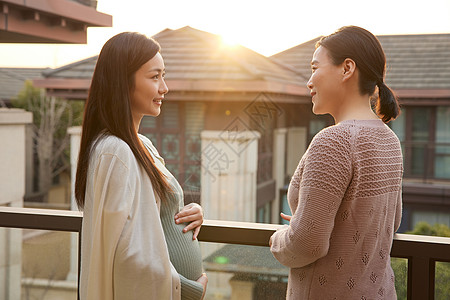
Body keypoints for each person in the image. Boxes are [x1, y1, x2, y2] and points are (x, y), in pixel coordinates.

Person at [270, 26, 403, 299]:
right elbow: (392, 221)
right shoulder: (390, 140)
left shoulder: (334, 141)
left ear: (347, 69)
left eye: (314, 67)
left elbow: (307, 244)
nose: (309, 81)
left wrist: (278, 238)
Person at [74, 32, 207, 300]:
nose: (164, 87)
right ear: (124, 81)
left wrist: (189, 211)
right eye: (154, 76)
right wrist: (190, 290)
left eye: (163, 76)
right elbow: (126, 256)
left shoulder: (140, 144)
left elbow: (154, 214)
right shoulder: (116, 152)